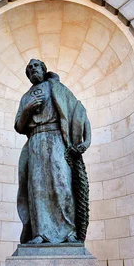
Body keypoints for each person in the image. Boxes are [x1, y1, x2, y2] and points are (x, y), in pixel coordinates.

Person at [15, 59, 91, 245]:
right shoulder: (26, 97)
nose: (33, 69)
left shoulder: (58, 88)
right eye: (30, 68)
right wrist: (27, 109)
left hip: (58, 139)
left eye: (36, 66)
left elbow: (80, 112)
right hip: (35, 142)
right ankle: (40, 233)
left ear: (43, 69)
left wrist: (87, 141)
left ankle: (69, 232)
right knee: (37, 188)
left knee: (63, 184)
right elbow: (18, 126)